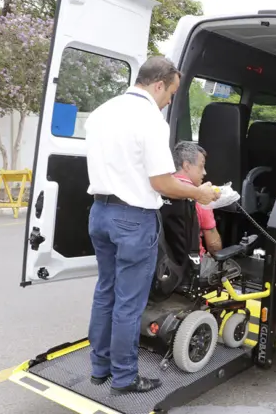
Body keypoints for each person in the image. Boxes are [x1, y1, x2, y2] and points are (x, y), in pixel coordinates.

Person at [84, 56, 219, 396]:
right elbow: (162, 182)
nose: (170, 100)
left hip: (99, 213)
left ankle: (100, 369)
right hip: (132, 219)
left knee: (105, 294)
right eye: (171, 92)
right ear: (158, 84)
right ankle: (125, 378)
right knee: (129, 302)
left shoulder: (103, 112)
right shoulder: (150, 120)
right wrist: (198, 193)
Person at [171, 141, 224, 277]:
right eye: (201, 166)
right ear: (186, 166)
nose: (205, 172)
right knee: (232, 267)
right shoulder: (200, 197)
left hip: (165, 266)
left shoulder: (162, 190)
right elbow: (214, 246)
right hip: (194, 268)